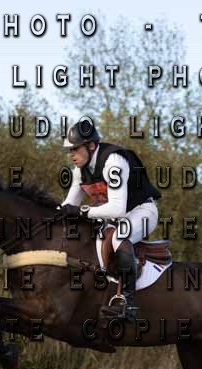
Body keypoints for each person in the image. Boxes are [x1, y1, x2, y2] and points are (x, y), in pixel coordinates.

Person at [58, 118, 162, 322]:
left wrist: (81, 211)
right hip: (114, 218)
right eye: (70, 150)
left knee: (119, 237)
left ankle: (128, 304)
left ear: (91, 146)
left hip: (141, 211)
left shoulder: (113, 161)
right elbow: (69, 205)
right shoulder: (80, 171)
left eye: (75, 149)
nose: (72, 155)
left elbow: (117, 208)